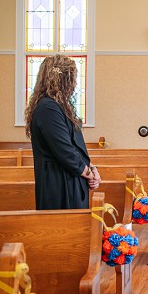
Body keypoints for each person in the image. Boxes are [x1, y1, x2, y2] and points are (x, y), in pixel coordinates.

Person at [25, 55, 101, 210]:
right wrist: (88, 172)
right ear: (63, 80)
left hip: (70, 179)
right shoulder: (48, 108)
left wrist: (93, 168)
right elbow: (65, 150)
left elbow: (75, 146)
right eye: (72, 78)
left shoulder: (60, 107)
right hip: (59, 185)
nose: (75, 84)